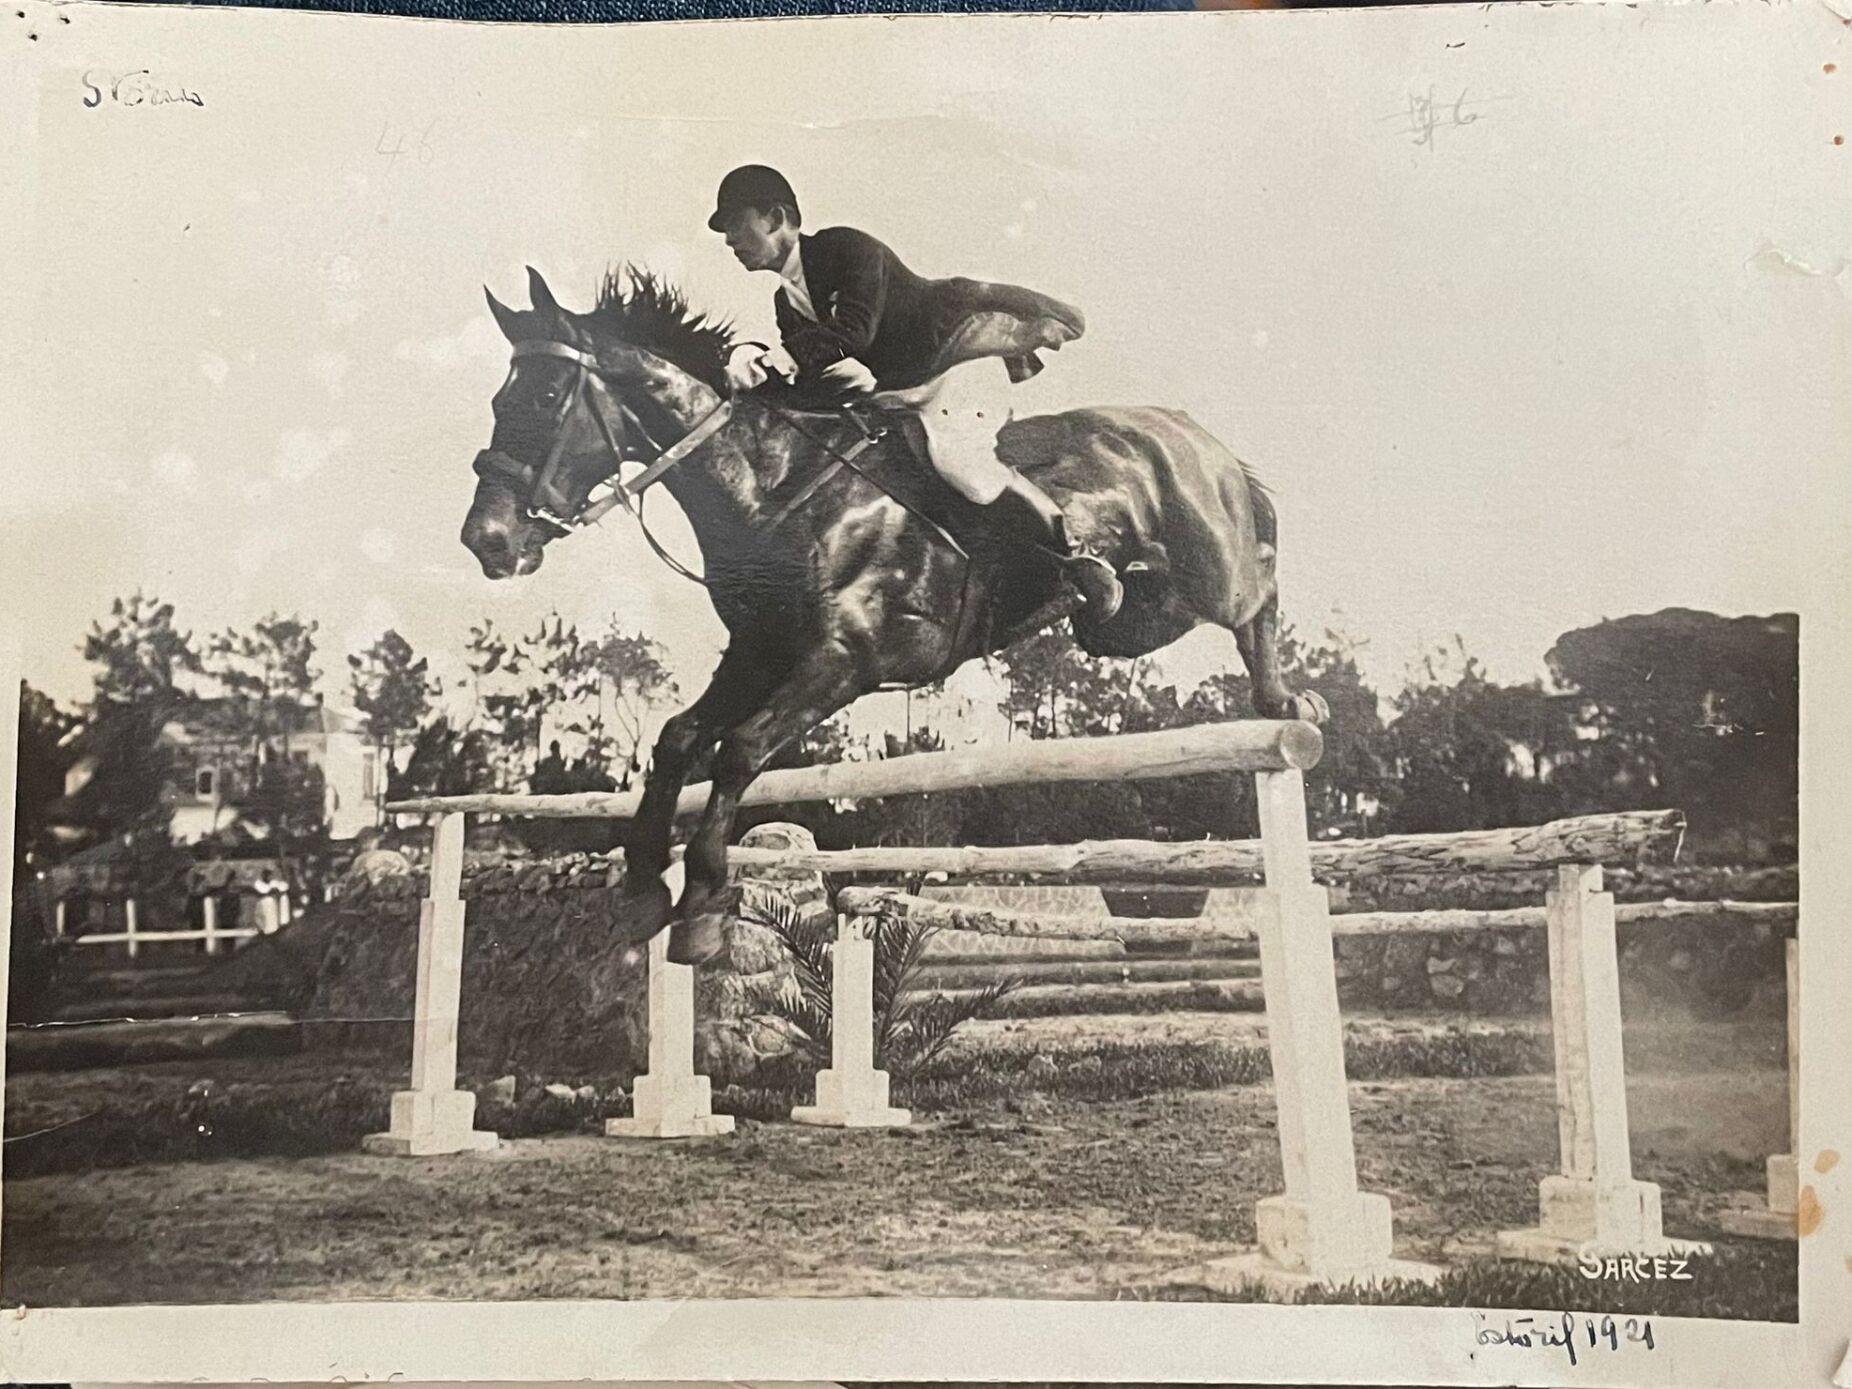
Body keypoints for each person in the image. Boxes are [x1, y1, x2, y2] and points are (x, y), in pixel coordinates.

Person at [707, 165, 1123, 619]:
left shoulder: (847, 248)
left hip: (954, 358)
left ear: (774, 217)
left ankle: (1076, 554)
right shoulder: (785, 302)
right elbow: (813, 376)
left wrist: (777, 359)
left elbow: (854, 332)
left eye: (734, 223)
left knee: (959, 464)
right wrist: (754, 372)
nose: (729, 239)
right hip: (899, 389)